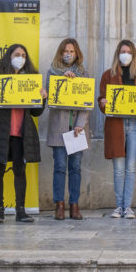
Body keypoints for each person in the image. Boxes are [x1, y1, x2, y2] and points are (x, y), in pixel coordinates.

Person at [0, 43, 47, 223]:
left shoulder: (31, 79)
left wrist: (42, 99)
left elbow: (36, 112)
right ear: (9, 56)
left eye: (23, 55)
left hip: (22, 133)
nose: (20, 58)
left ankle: (21, 211)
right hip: (1, 131)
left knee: (19, 170)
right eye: (17, 54)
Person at [98, 40, 136, 218]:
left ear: (134, 54)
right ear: (117, 54)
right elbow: (101, 100)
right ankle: (118, 206)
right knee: (119, 168)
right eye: (122, 51)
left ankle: (127, 206)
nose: (125, 54)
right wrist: (103, 103)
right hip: (117, 125)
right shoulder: (108, 75)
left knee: (131, 167)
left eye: (128, 51)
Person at [44, 38, 90, 221]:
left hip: (77, 129)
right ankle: (59, 205)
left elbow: (86, 104)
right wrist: (62, 82)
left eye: (71, 51)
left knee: (75, 167)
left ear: (77, 53)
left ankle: (74, 204)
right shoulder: (52, 73)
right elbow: (49, 99)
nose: (68, 54)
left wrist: (81, 123)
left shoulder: (84, 74)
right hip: (59, 128)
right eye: (65, 51)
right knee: (60, 167)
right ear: (60, 53)